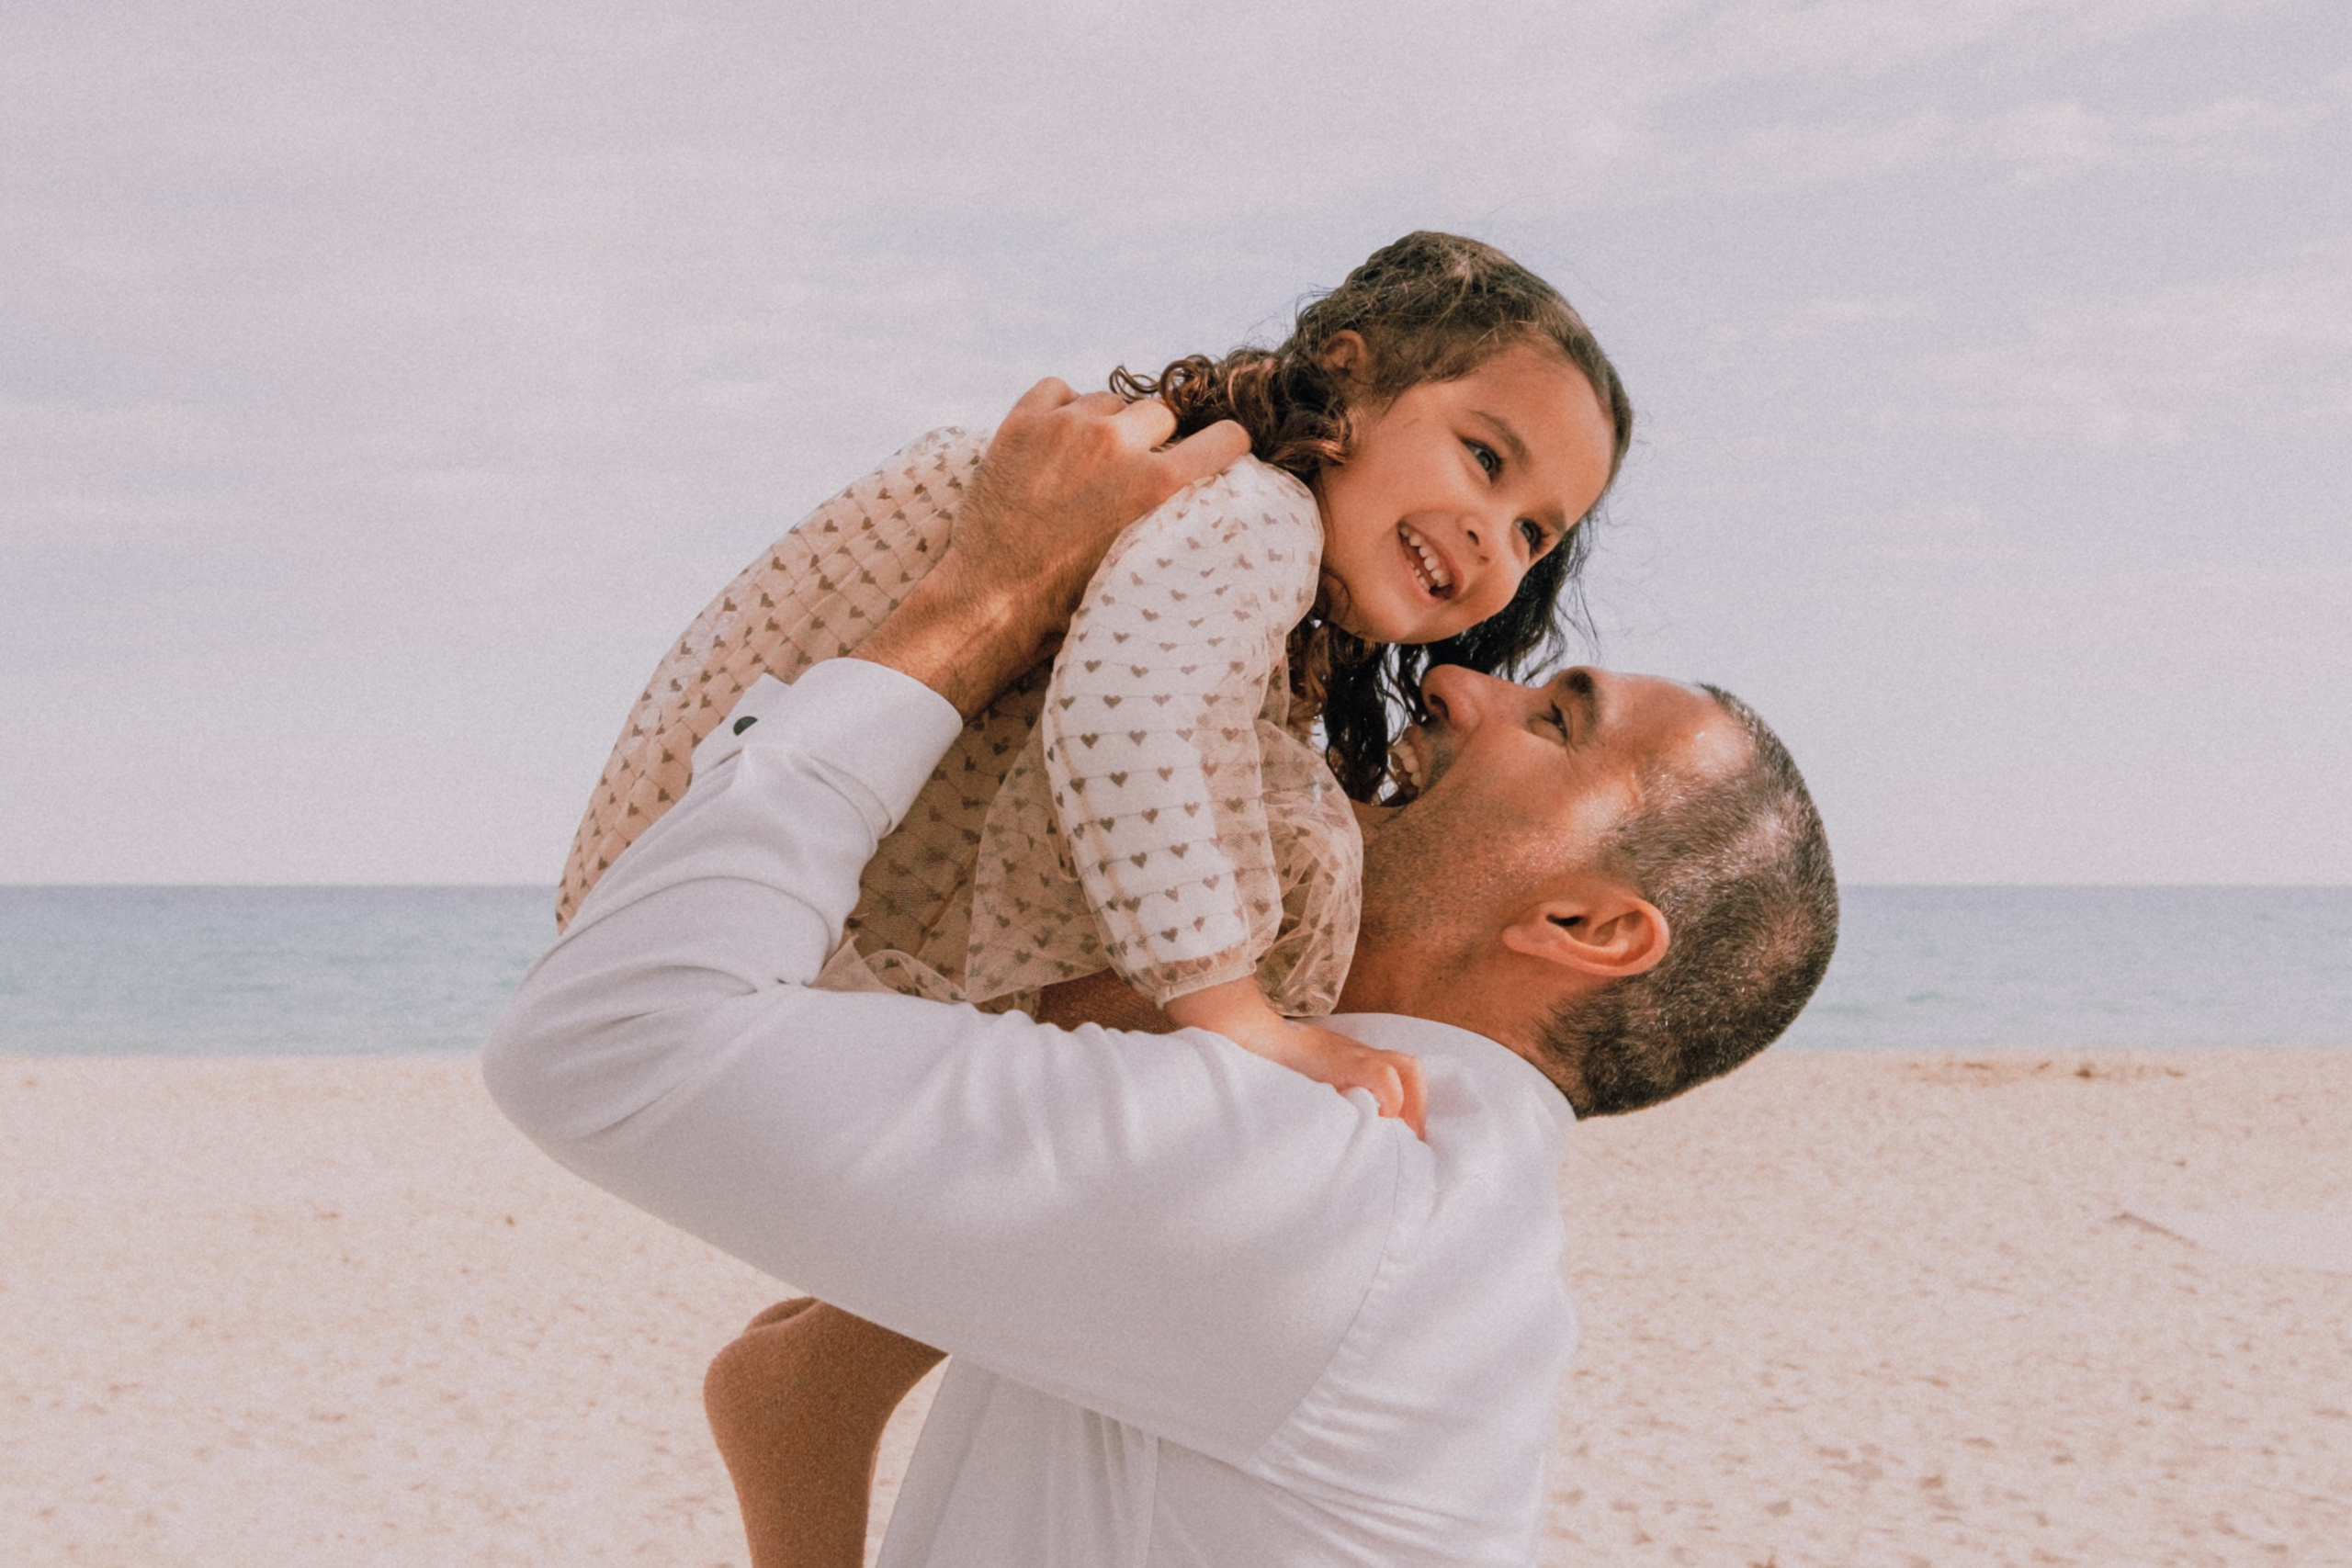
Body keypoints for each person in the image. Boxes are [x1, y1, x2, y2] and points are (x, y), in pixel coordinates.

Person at [483, 381, 1838, 1567]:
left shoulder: (1327, 1185)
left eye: (1554, 720)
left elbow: (609, 1037)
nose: (1457, 687)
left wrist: (989, 591)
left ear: (1592, 926)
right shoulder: (1420, 1202)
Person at [551, 232, 1632, 1124]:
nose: (1494, 536)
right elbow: (1126, 725)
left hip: (722, 824)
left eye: (1535, 532)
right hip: (726, 881)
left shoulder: (1233, 515)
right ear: (1348, 374)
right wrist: (1237, 1015)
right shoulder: (1254, 513)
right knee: (1286, 847)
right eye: (1484, 458)